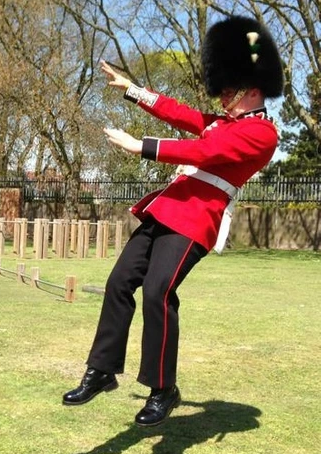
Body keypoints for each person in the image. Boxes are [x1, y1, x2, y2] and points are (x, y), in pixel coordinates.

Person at [62, 16, 284, 426]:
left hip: (197, 218)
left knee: (158, 291)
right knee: (119, 281)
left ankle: (163, 388)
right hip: (168, 207)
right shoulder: (226, 121)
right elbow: (179, 113)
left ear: (253, 90)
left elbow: (202, 153)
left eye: (229, 90)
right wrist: (132, 90)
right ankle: (103, 370)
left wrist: (140, 147)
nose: (221, 98)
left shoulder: (262, 133)